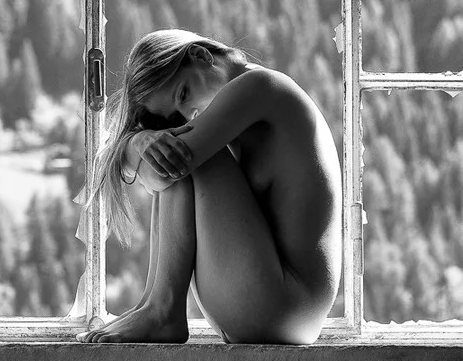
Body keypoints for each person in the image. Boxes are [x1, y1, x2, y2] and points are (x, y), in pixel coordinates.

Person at [76, 29, 341, 344]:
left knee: (178, 156)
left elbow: (161, 173)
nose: (190, 115)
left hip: (285, 304)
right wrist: (141, 140)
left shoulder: (259, 86)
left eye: (183, 94)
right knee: (174, 152)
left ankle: (162, 310)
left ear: (201, 56)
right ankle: (152, 306)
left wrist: (138, 144)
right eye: (177, 116)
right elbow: (157, 170)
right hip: (265, 306)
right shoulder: (233, 114)